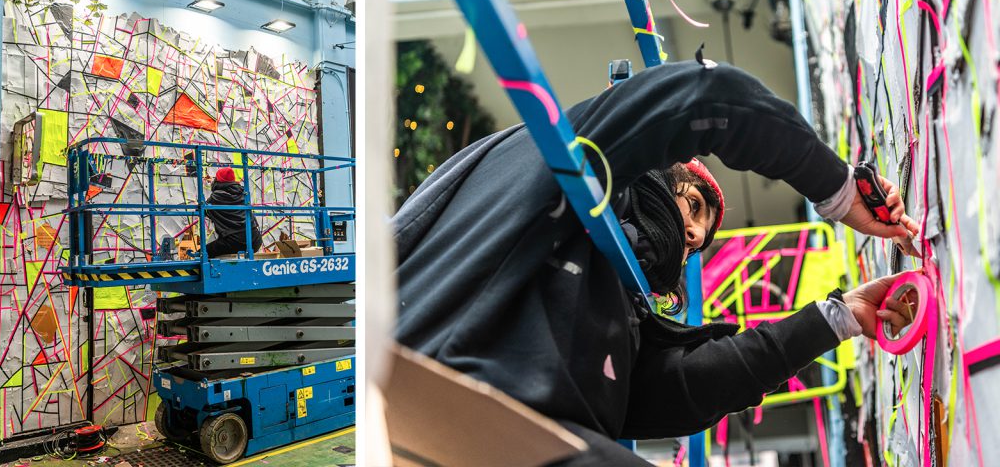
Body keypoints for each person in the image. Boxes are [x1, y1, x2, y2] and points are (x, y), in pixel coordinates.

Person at [392, 60, 921, 464]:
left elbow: (687, 389)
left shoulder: (610, 304)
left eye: (699, 242)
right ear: (654, 173)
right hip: (434, 407)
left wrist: (840, 317)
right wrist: (839, 192)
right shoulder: (561, 168)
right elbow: (711, 96)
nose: (692, 235)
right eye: (692, 205)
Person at [204, 167, 263, 259]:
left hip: (235, 242)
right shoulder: (243, 193)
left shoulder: (217, 197)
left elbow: (204, 211)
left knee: (202, 253)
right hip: (255, 240)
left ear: (218, 180)